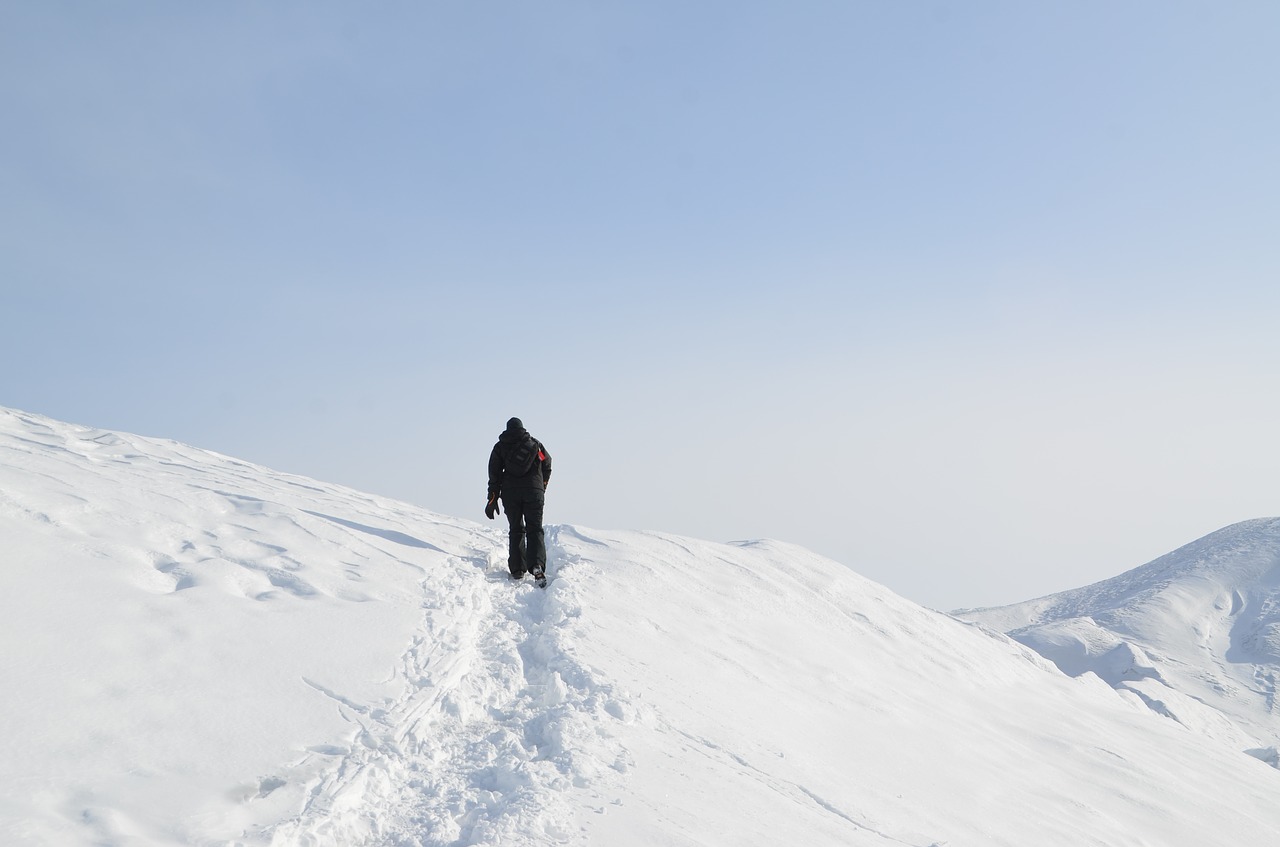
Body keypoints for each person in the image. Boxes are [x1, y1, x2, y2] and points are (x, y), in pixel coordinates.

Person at [486, 417, 552, 582]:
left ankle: (517, 569)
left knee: (516, 528)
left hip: (510, 494)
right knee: (535, 528)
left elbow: (494, 473)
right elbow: (547, 462)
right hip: (534, 493)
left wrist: (492, 498)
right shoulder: (536, 445)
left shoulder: (500, 447)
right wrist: (541, 485)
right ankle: (536, 565)